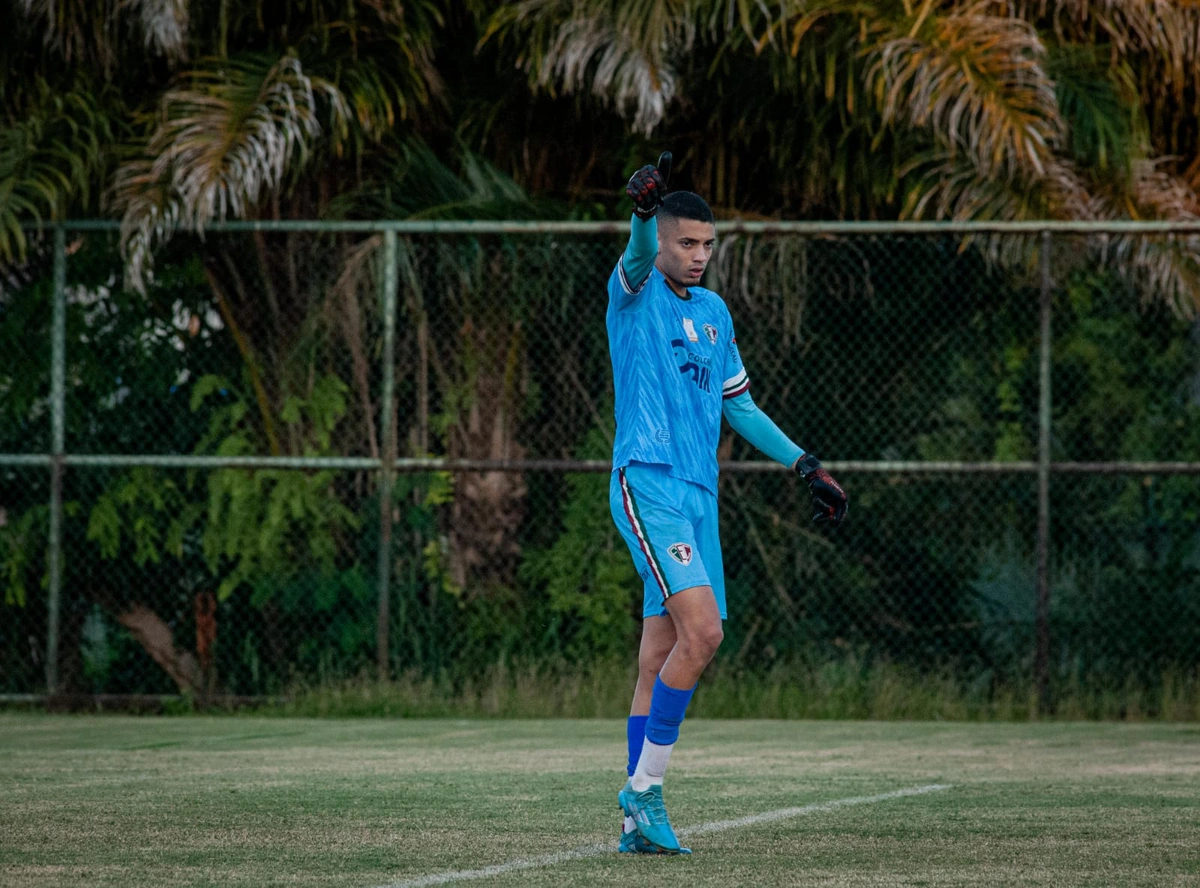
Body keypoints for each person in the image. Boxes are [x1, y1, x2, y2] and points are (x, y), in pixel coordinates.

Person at [607, 158, 848, 855]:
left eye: (708, 245)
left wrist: (804, 462)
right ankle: (644, 790)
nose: (700, 256)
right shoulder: (633, 291)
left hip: (697, 496)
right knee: (703, 634)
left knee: (658, 655)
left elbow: (738, 406)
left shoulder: (714, 314)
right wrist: (644, 213)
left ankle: (634, 827)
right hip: (647, 481)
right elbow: (639, 249)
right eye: (689, 244)